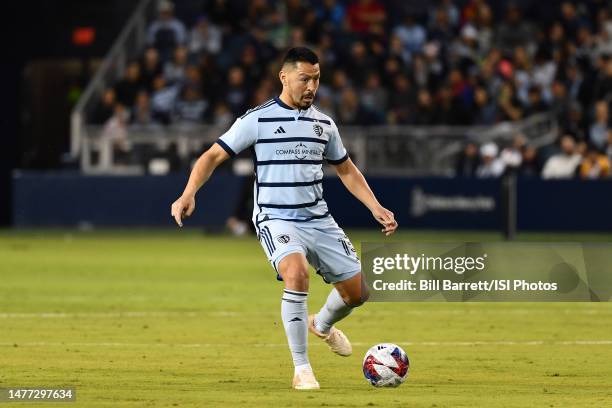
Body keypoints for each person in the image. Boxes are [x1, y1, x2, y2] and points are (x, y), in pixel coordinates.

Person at [170, 47, 398, 390]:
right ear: (284, 77)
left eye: (316, 79)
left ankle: (320, 325)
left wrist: (374, 206)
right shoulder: (257, 119)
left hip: (318, 219)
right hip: (275, 218)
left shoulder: (324, 124)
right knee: (296, 273)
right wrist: (188, 193)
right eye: (304, 78)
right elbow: (213, 155)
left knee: (358, 292)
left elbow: (346, 169)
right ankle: (302, 369)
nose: (311, 86)